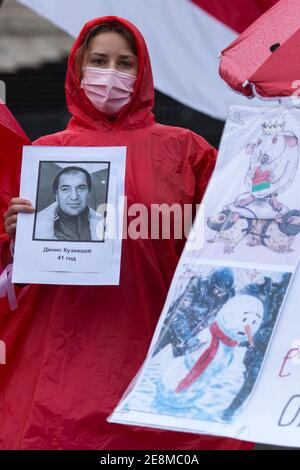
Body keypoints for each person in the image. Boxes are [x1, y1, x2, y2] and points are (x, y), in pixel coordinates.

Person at [0, 16, 252, 450]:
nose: (111, 74)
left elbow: (228, 253)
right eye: (99, 61)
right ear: (78, 68)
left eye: (125, 63)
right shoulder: (44, 155)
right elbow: (13, 278)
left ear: (143, 72)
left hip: (159, 362)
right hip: (63, 371)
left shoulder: (188, 150)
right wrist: (12, 236)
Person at [153, 268, 235, 357]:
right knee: (151, 352)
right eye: (217, 290)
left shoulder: (226, 296)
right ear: (212, 282)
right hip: (172, 327)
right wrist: (188, 338)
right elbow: (178, 313)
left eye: (223, 292)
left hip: (192, 338)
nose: (219, 294)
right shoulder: (198, 285)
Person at [35, 166, 104, 241]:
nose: (74, 197)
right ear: (57, 195)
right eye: (65, 189)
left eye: (81, 188)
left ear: (88, 194)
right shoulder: (35, 228)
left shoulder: (106, 226)